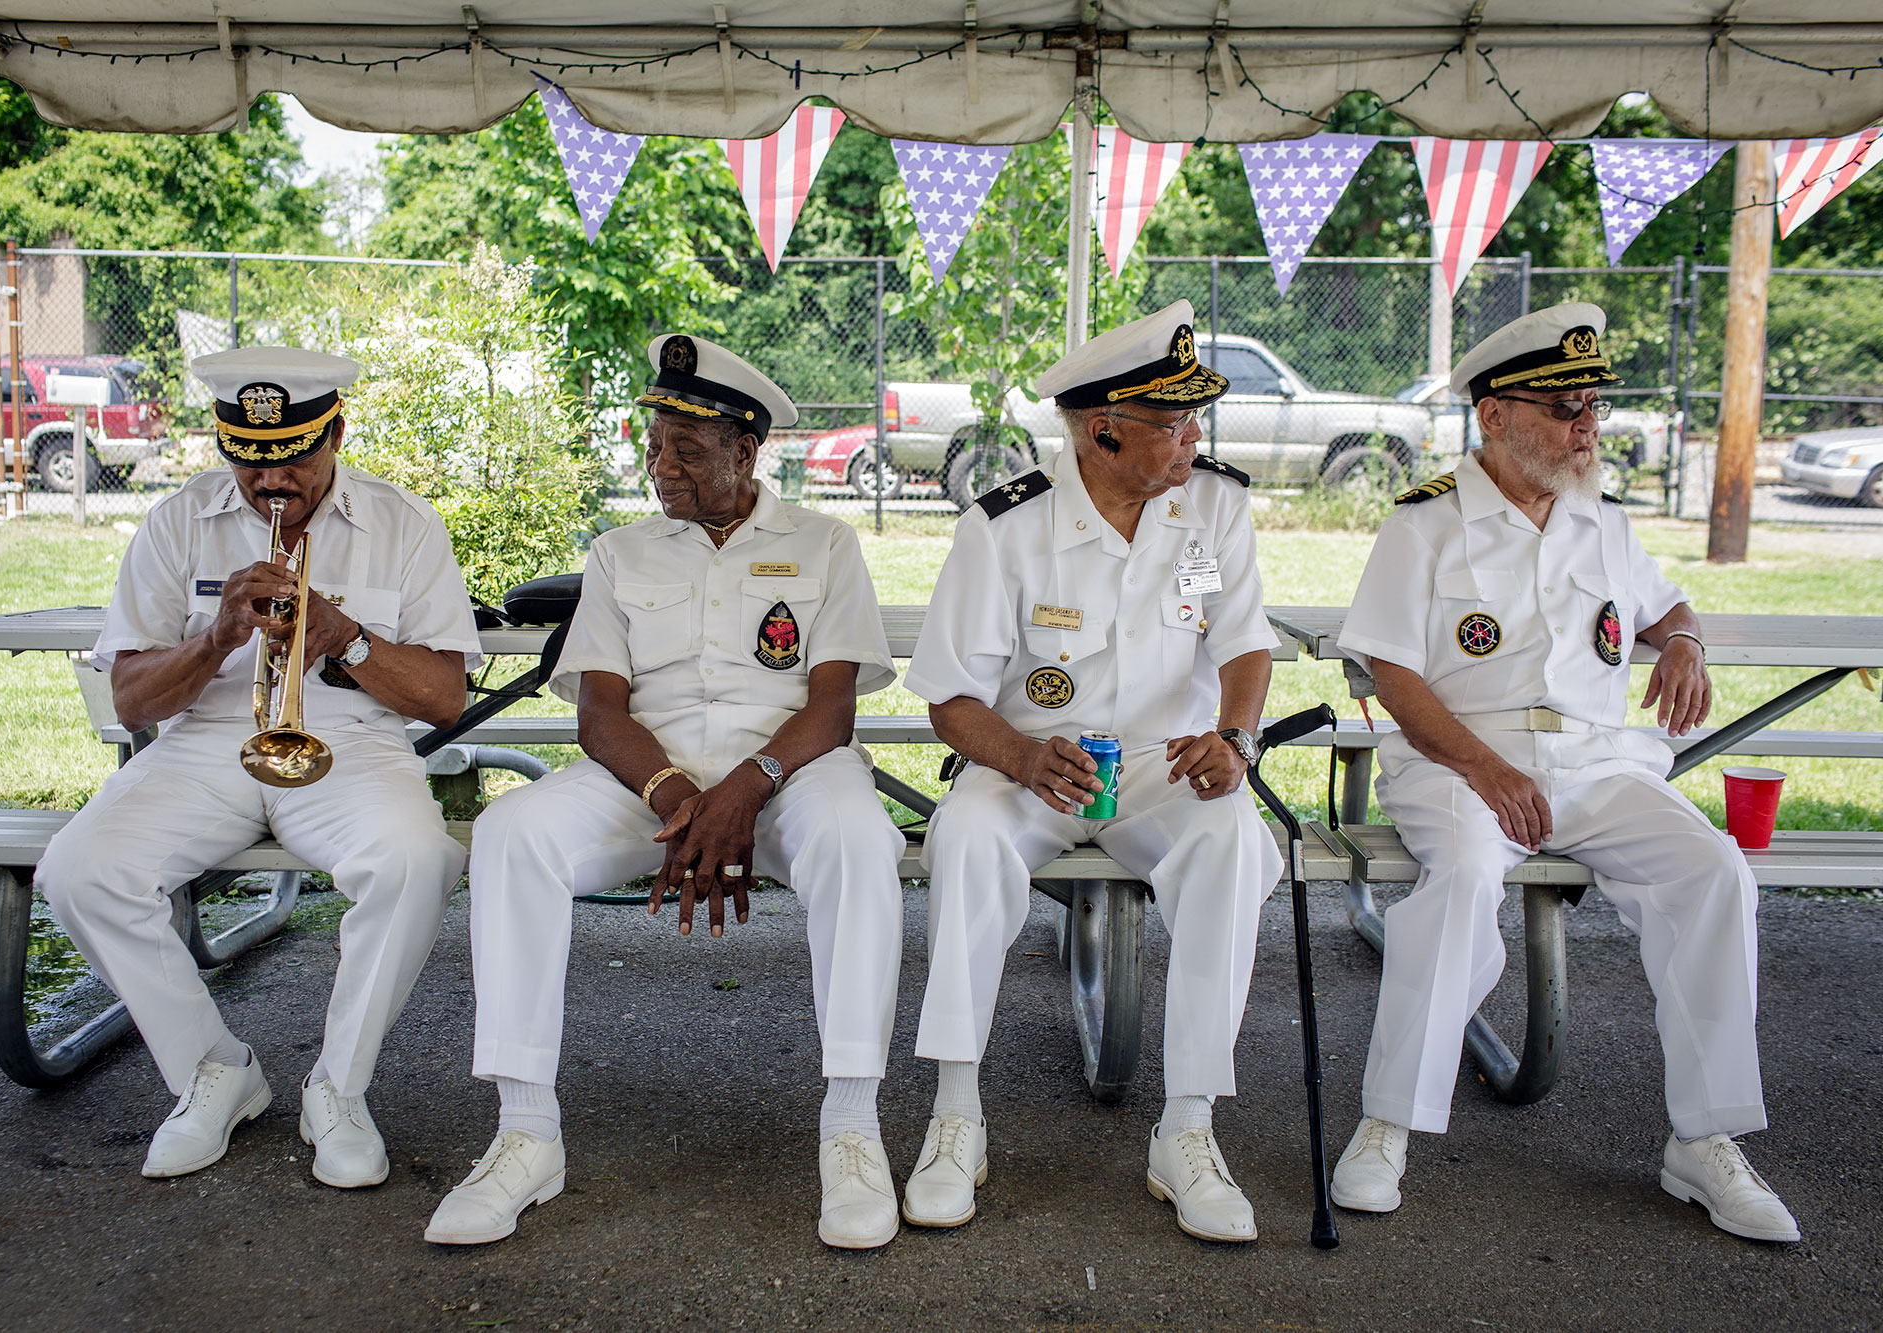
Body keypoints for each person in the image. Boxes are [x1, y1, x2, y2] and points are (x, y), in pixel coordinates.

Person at [1329, 302, 1801, 1243]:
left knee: (1713, 870)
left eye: (1590, 406)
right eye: (1562, 408)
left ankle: (1703, 1141)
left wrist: (1686, 645)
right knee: (1462, 880)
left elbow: (1669, 606)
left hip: (1593, 760)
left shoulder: (1601, 519)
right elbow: (1391, 672)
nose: (1585, 426)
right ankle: (1389, 1121)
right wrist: (1490, 769)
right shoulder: (1423, 524)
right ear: (1493, 415)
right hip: (1456, 761)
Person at [427, 335, 907, 1251]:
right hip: (652, 781)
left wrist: (747, 786)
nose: (663, 467)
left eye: (687, 448)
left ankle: (852, 1125)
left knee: (859, 839)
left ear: (747, 448)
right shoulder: (619, 553)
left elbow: (834, 705)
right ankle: (525, 1132)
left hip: (791, 772)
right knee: (511, 834)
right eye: (654, 445)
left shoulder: (825, 543)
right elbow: (599, 713)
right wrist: (680, 795)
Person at [36, 347, 480, 1188]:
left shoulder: (403, 523)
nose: (272, 483)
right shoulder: (179, 521)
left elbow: (445, 698)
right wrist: (214, 638)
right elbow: (131, 699)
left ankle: (338, 1088)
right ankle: (213, 1070)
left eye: (295, 461)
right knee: (80, 869)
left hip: (351, 748)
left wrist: (347, 636)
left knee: (418, 859)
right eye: (250, 461)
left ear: (337, 433)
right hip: (205, 744)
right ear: (226, 445)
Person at [901, 301, 1283, 1242]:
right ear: (1100, 429)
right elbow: (950, 698)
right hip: (1028, 759)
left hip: (1163, 760)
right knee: (967, 834)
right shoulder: (1006, 529)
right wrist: (1024, 756)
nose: (1193, 438)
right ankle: (957, 1114)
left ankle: (1188, 1126)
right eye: (1170, 422)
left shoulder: (1216, 505)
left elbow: (1244, 645)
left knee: (1235, 837)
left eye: (1197, 419)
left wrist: (1234, 739)